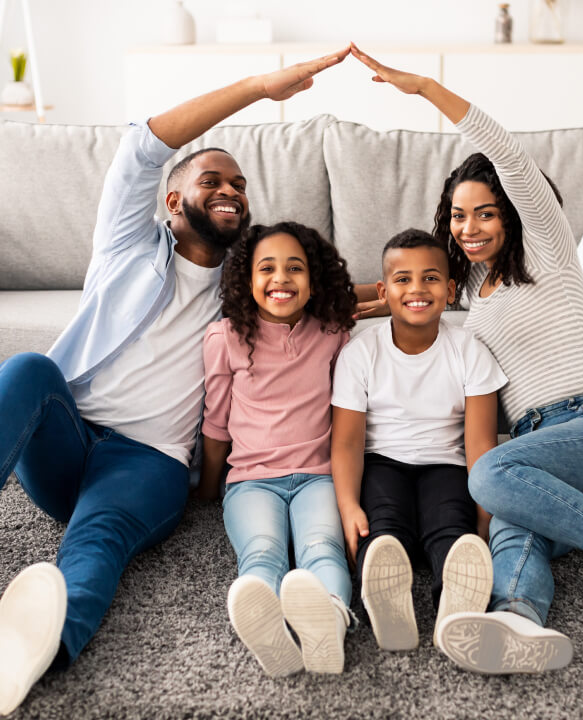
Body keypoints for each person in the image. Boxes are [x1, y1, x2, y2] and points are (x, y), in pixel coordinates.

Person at [0, 48, 350, 715]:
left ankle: (41, 649)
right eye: (215, 179)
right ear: (171, 200)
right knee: (27, 370)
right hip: (67, 435)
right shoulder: (127, 243)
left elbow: (327, 296)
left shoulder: (247, 290)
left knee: (97, 540)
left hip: (149, 463)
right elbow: (142, 146)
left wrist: (411, 290)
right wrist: (256, 87)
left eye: (241, 185)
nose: (232, 191)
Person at [350, 42, 583, 674]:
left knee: (489, 476)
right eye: (458, 216)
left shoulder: (549, 250)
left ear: (513, 213)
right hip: (534, 452)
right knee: (509, 523)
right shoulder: (469, 291)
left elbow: (505, 151)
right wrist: (335, 301)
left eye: (486, 212)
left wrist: (426, 87)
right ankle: (516, 620)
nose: (469, 227)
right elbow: (406, 285)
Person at [331, 228, 507, 652]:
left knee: (450, 527)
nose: (417, 289)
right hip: (382, 462)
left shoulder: (469, 350)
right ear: (383, 290)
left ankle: (456, 603)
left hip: (445, 464)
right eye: (403, 279)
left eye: (430, 278)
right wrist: (348, 505)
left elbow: (480, 444)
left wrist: (484, 518)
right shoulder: (361, 351)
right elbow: (348, 443)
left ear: (449, 291)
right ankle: (387, 603)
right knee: (383, 527)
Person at [200, 221, 356, 676]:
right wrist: (210, 491)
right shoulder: (224, 337)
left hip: (319, 477)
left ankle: (330, 624)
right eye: (267, 268)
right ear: (247, 280)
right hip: (251, 482)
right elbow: (216, 424)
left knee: (322, 548)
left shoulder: (333, 333)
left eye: (295, 268)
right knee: (263, 551)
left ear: (314, 280)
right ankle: (264, 622)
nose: (281, 278)